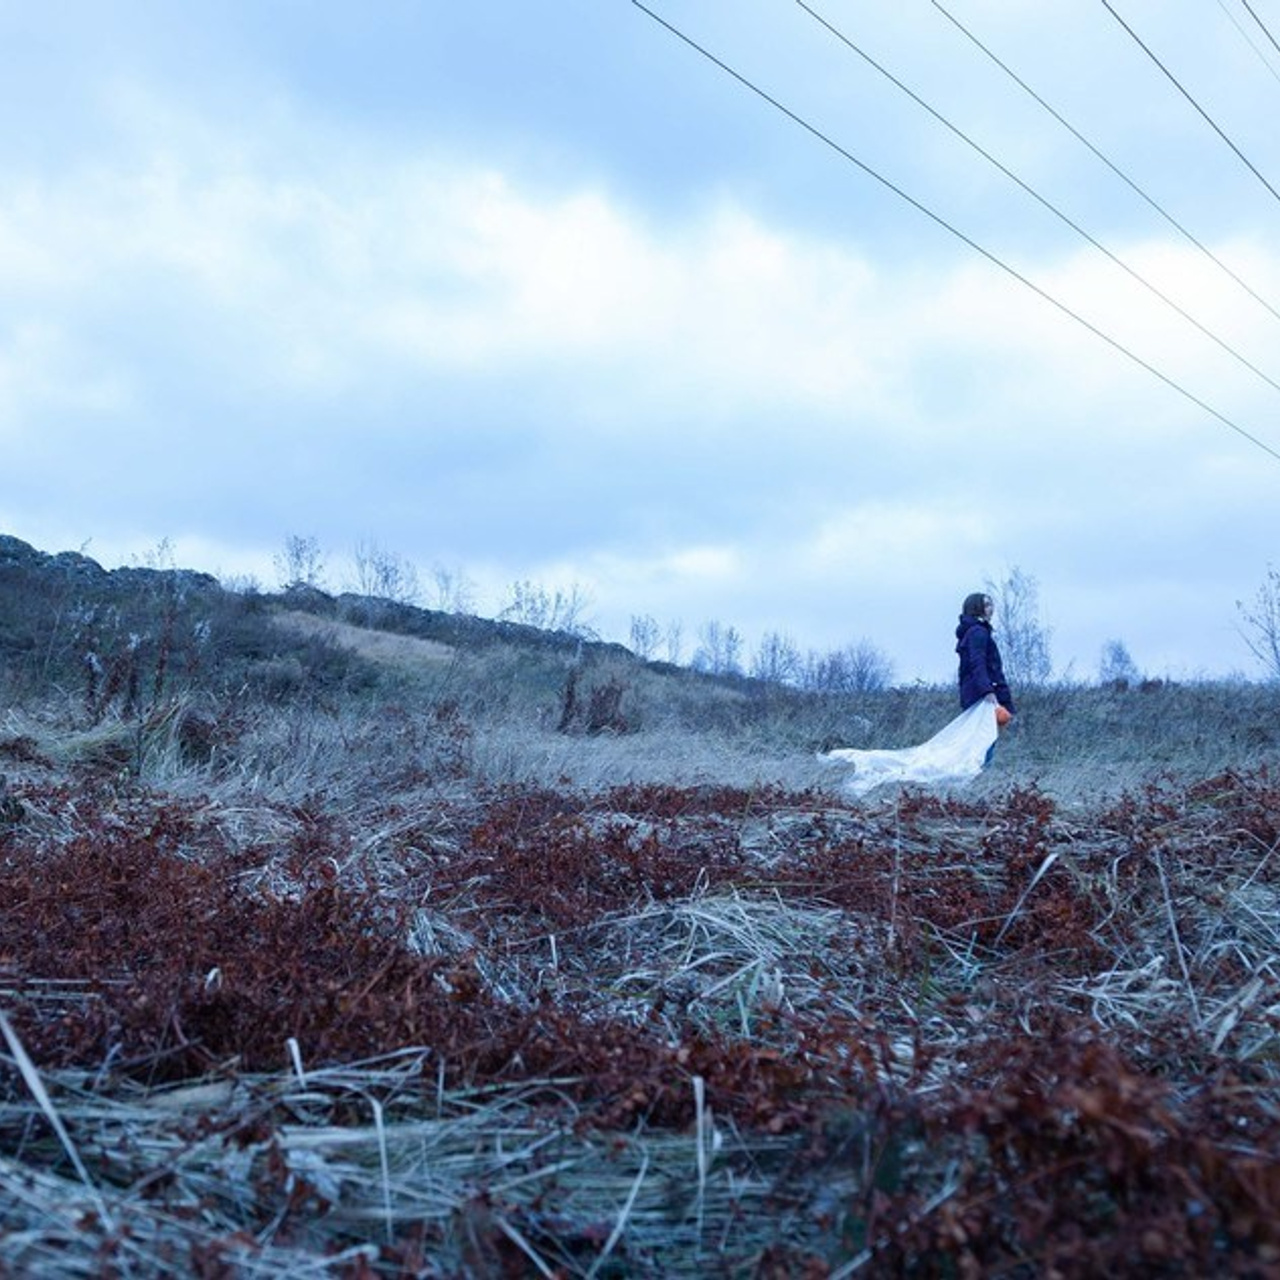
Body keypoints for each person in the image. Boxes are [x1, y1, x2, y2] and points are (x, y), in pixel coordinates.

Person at [955, 594, 1015, 765]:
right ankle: (978, 773)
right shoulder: (978, 632)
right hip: (981, 694)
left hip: (976, 691)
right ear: (976, 608)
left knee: (981, 737)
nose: (992, 608)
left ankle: (977, 772)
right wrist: (988, 691)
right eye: (987, 605)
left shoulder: (976, 631)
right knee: (984, 738)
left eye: (991, 604)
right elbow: (977, 663)